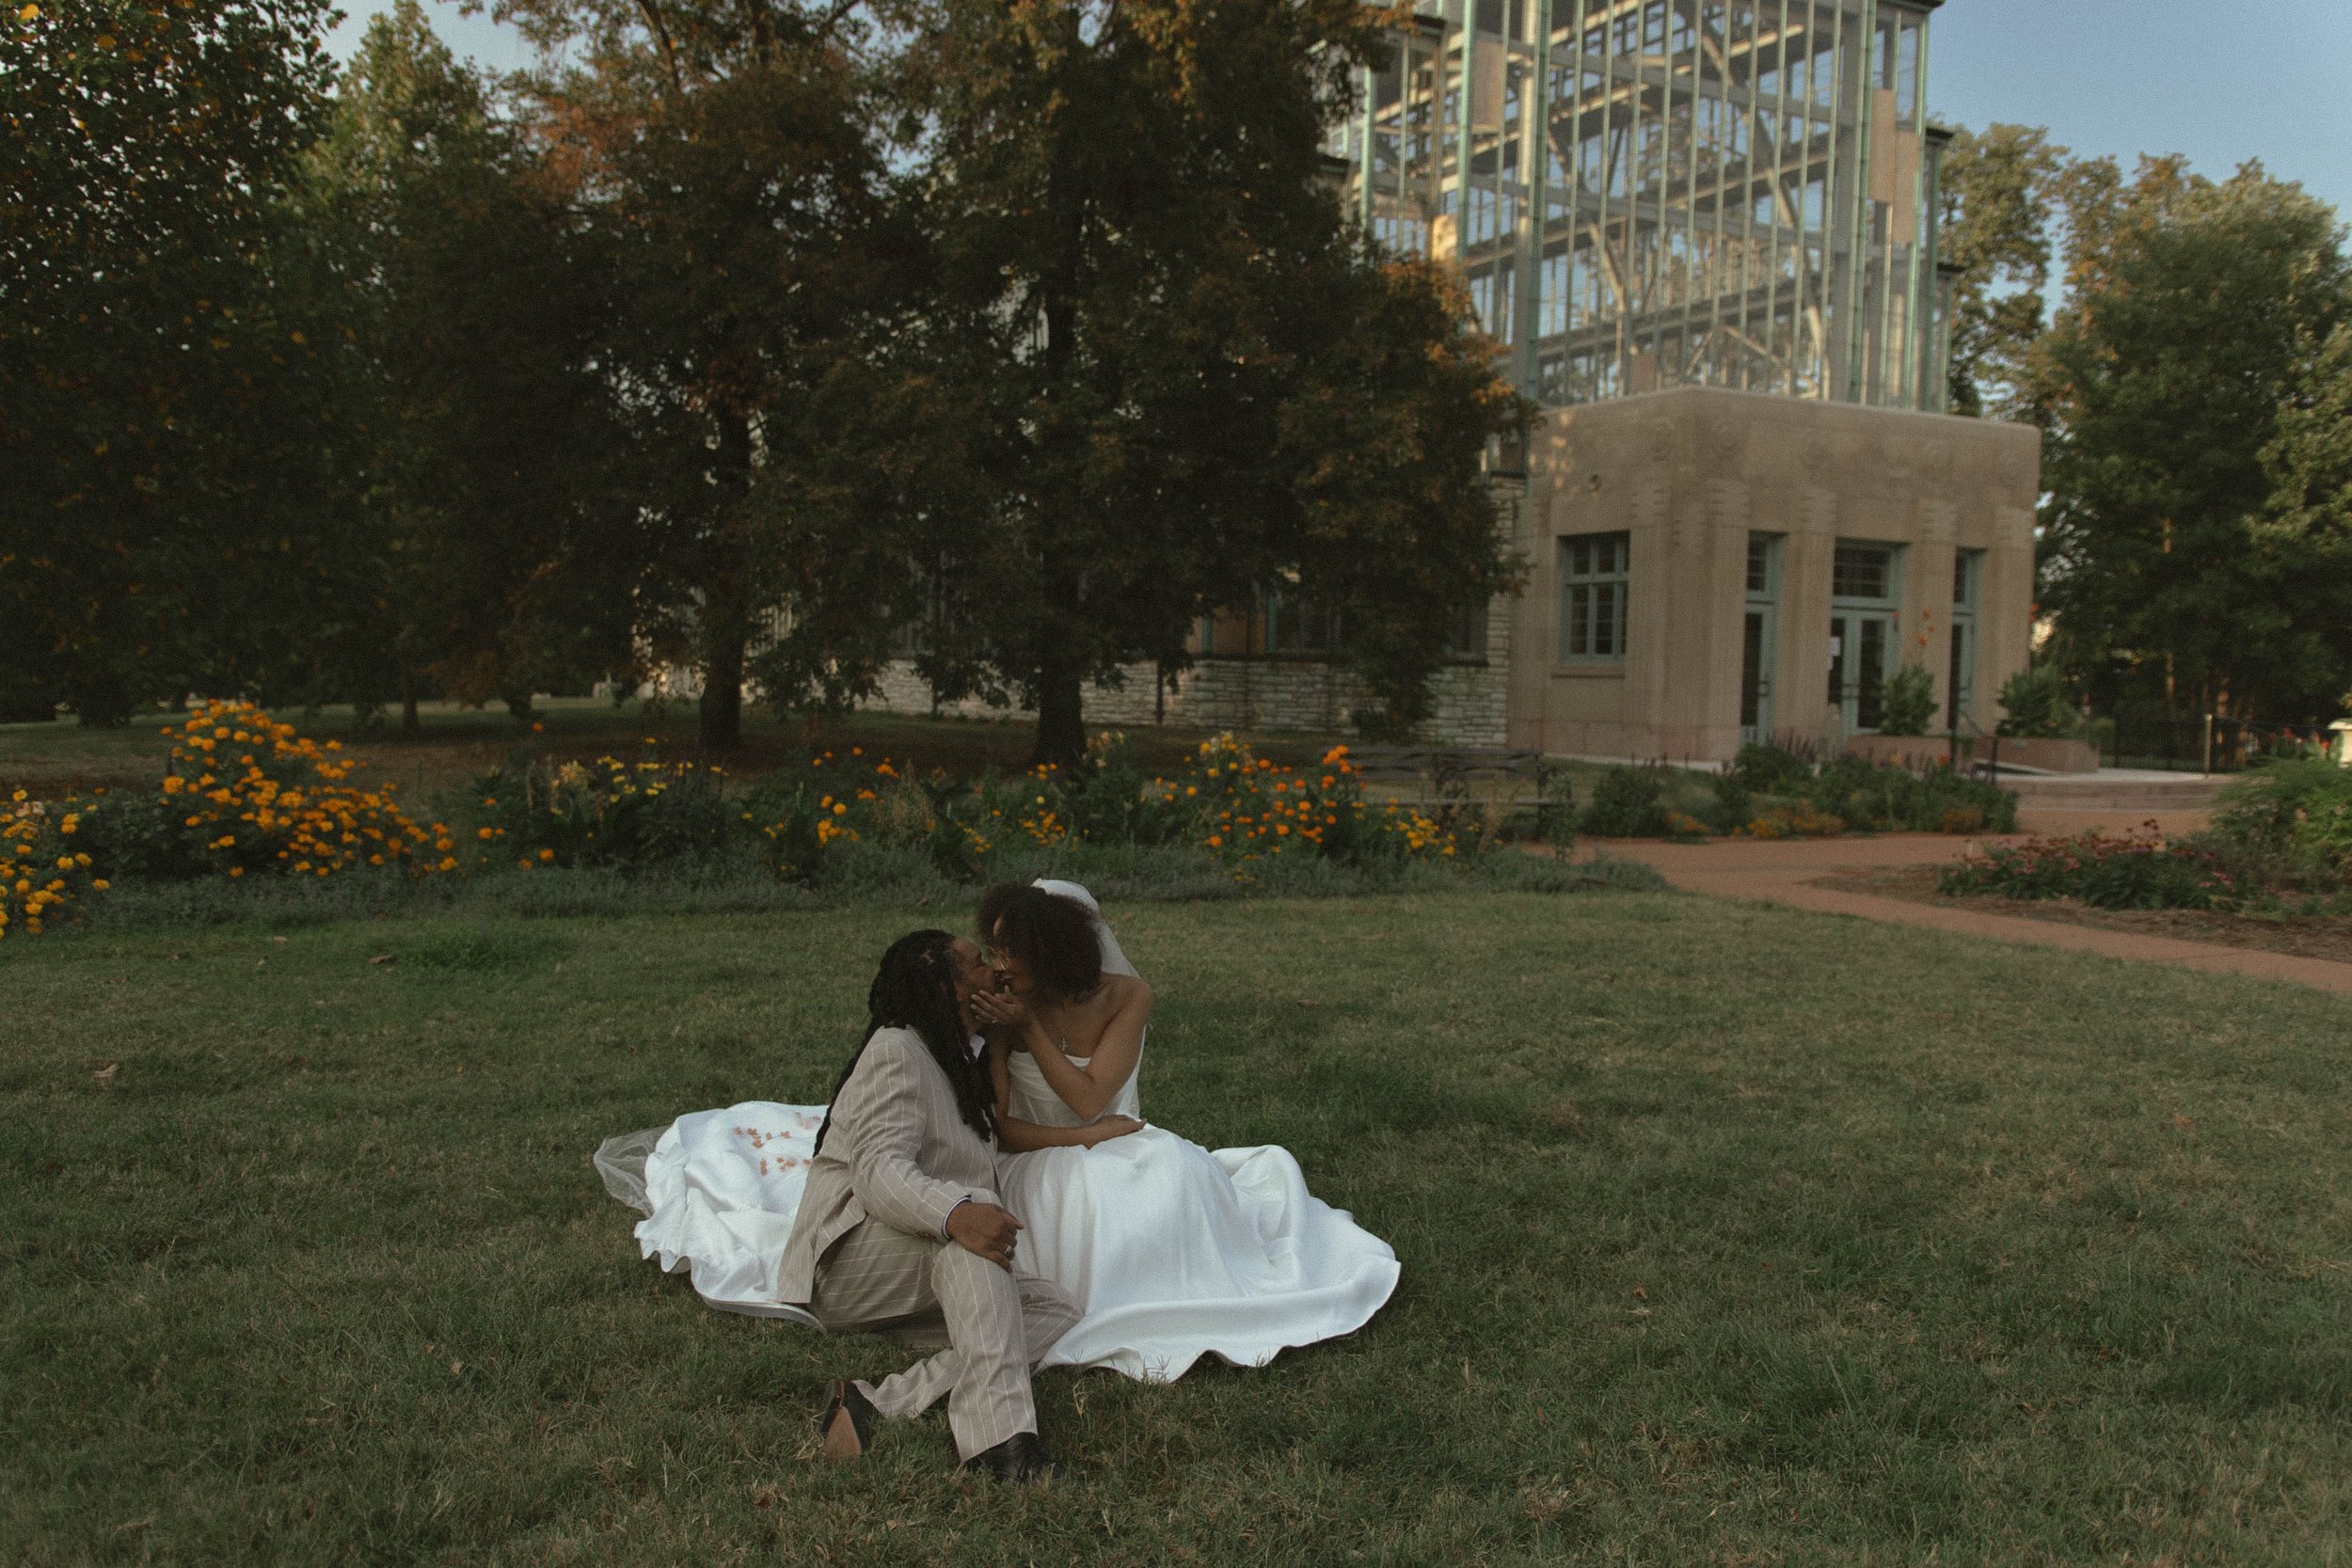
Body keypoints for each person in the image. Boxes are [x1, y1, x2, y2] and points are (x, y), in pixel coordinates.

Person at [969, 881, 1400, 1382]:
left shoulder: (1127, 995)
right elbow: (999, 1128)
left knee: (1173, 1176)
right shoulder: (1003, 1008)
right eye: (994, 949)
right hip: (1037, 1153)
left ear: (1048, 957)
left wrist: (1033, 1032)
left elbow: (1087, 1098)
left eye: (1009, 952)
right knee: (1087, 1207)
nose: (998, 965)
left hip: (1120, 1140)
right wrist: (1084, 1133)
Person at [776, 928, 1079, 1481]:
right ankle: (1000, 1446)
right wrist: (958, 1213)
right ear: (946, 987)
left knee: (1054, 1310)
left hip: (911, 1260)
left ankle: (878, 1401)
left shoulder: (958, 1057)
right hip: (844, 1268)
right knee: (972, 1225)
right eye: (978, 964)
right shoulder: (898, 1047)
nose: (995, 970)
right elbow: (878, 1170)